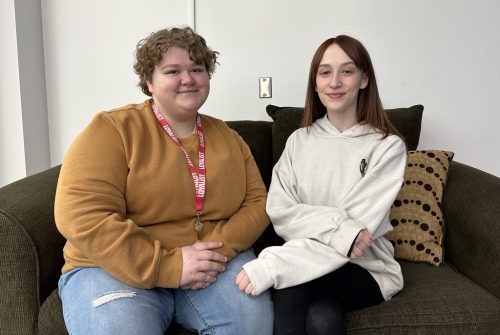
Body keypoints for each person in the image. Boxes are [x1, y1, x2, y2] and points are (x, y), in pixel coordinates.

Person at [55, 26, 273, 335]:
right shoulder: (111, 130)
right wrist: (169, 266)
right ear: (149, 81)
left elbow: (257, 202)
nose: (188, 79)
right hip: (114, 267)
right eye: (173, 71)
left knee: (249, 323)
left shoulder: (229, 137)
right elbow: (81, 215)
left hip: (213, 264)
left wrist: (215, 252)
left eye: (197, 69)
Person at [236, 35, 407, 334]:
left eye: (347, 71)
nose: (335, 82)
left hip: (366, 269)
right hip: (305, 260)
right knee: (322, 318)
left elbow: (358, 238)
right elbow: (281, 211)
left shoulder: (387, 147)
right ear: (315, 83)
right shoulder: (298, 142)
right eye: (325, 72)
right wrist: (341, 228)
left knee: (291, 284)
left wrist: (275, 264)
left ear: (364, 79)